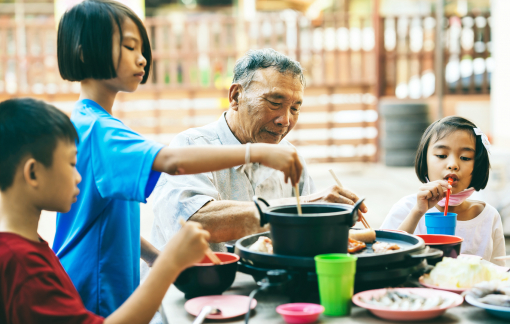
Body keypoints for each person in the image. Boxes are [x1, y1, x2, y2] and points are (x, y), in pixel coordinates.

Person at [53, 0, 303, 317]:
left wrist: (155, 258)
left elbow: (106, 216)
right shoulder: (101, 131)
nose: (142, 57)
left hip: (94, 279)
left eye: (142, 47)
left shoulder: (90, 121)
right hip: (97, 287)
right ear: (84, 53)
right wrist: (257, 151)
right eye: (129, 46)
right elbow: (173, 161)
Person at [144, 49, 368, 266]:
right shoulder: (191, 146)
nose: (285, 120)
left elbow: (306, 234)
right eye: (275, 103)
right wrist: (309, 205)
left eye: (295, 108)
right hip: (195, 291)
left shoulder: (290, 156)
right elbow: (193, 222)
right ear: (235, 96)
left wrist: (332, 220)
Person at [0, 98, 212, 324]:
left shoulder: (25, 248)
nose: (79, 177)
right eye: (72, 164)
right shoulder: (23, 265)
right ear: (33, 173)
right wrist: (171, 262)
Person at [380, 116, 506, 266]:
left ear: (478, 166)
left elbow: (499, 273)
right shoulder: (407, 208)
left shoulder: (488, 217)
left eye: (465, 157)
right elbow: (383, 258)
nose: (453, 164)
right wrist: (417, 213)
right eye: (441, 155)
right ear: (424, 160)